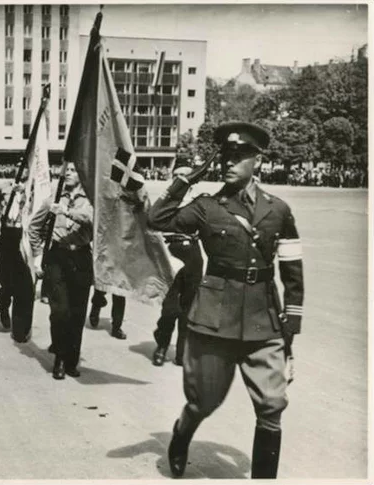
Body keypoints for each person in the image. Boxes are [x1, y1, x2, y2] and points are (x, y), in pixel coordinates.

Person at [148, 122, 304, 479]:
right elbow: (156, 219)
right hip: (213, 319)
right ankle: (181, 432)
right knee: (203, 401)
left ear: (257, 161)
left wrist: (290, 326)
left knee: (272, 404)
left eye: (239, 156)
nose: (229, 163)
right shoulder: (206, 207)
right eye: (225, 157)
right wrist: (186, 180)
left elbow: (293, 271)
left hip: (264, 319)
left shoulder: (278, 210)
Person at [29, 162, 94, 380]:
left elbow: (91, 220)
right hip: (58, 257)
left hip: (81, 258)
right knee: (60, 312)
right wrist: (38, 256)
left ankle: (71, 361)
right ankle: (59, 356)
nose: (67, 173)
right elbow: (34, 227)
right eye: (66, 170)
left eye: (73, 170)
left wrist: (66, 211)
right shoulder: (52, 200)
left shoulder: (90, 200)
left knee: (77, 313)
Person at [152, 162, 204, 366]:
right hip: (170, 253)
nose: (180, 179)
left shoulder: (199, 203)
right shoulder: (165, 203)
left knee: (189, 308)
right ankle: (162, 345)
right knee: (170, 308)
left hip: (192, 254)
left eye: (184, 176)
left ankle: (182, 351)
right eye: (176, 176)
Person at [0, 179, 34, 342]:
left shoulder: (32, 190)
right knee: (4, 273)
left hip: (21, 233)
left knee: (19, 276)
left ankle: (14, 314)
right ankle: (3, 301)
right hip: (6, 230)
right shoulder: (4, 188)